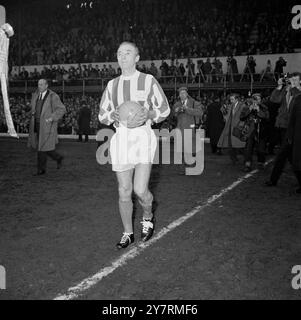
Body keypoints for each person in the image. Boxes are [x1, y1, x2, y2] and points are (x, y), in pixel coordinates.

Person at [98, 41, 170, 249]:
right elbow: (102, 115)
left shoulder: (148, 81)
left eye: (128, 53)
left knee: (139, 189)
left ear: (137, 58)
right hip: (121, 138)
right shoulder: (112, 85)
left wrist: (148, 114)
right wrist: (113, 115)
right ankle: (127, 232)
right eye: (119, 53)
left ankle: (147, 217)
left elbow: (164, 109)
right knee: (123, 190)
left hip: (142, 137)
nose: (123, 56)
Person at [265, 72, 301, 186]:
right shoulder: (288, 91)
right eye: (291, 80)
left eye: (295, 80)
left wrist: (291, 88)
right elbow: (274, 100)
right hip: (284, 127)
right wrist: (279, 87)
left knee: (285, 155)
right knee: (289, 157)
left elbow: (297, 98)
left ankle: (273, 180)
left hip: (296, 130)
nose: (292, 82)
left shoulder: (298, 93)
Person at [27, 79, 66, 175]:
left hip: (47, 126)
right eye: (38, 84)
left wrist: (52, 118)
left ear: (46, 85)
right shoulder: (35, 95)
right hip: (36, 125)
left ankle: (41, 169)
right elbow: (33, 109)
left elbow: (62, 109)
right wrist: (30, 111)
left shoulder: (53, 96)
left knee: (41, 147)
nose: (39, 86)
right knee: (43, 147)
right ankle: (58, 158)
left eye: (41, 84)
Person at [173, 87, 203, 166]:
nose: (182, 95)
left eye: (184, 93)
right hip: (180, 128)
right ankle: (185, 163)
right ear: (179, 95)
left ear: (187, 94)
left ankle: (191, 161)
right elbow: (174, 116)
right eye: (180, 93)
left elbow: (200, 113)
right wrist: (176, 112)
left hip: (191, 128)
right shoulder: (177, 104)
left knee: (191, 146)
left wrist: (187, 109)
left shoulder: (194, 103)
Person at [240, 93, 269, 172]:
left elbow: (267, 118)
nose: (256, 101)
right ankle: (247, 164)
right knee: (248, 148)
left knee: (261, 149)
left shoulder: (264, 107)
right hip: (250, 131)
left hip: (261, 131)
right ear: (252, 99)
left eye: (258, 99)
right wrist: (249, 110)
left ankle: (261, 163)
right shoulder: (247, 107)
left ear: (261, 100)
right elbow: (241, 117)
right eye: (255, 99)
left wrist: (258, 110)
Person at [217, 93, 246, 164]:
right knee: (231, 145)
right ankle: (234, 159)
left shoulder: (242, 106)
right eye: (230, 99)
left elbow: (244, 116)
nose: (231, 100)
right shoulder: (230, 106)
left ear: (237, 99)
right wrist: (223, 111)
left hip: (238, 127)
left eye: (232, 99)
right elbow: (226, 116)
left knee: (241, 145)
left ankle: (246, 159)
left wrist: (241, 125)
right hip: (230, 128)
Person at [287, 92, 301, 194]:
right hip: (298, 137)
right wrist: (290, 135)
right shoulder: (298, 99)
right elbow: (292, 119)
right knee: (296, 163)